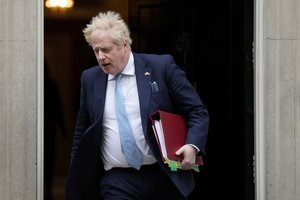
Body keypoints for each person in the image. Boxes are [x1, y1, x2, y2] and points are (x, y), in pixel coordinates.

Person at [66, 11, 209, 200]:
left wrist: (192, 145)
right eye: (96, 50)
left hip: (162, 174)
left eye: (106, 50)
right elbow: (81, 132)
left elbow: (197, 111)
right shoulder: (90, 78)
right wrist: (76, 176)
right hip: (116, 180)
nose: (100, 57)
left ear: (125, 44)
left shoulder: (160, 67)